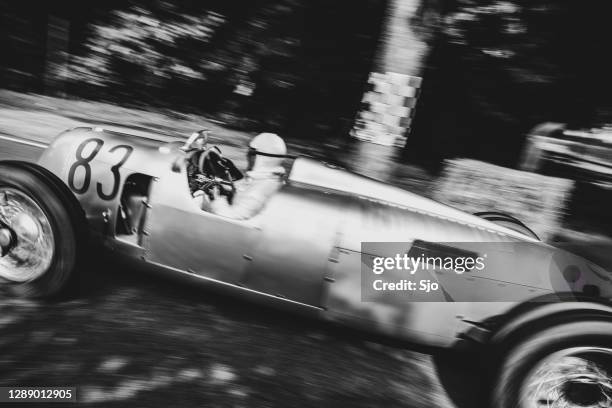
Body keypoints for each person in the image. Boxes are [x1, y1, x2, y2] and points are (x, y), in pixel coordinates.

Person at [208, 132, 287, 220]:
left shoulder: (260, 191)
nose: (247, 155)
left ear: (264, 158)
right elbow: (243, 192)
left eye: (251, 152)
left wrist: (216, 199)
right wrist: (231, 176)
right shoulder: (268, 178)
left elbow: (231, 219)